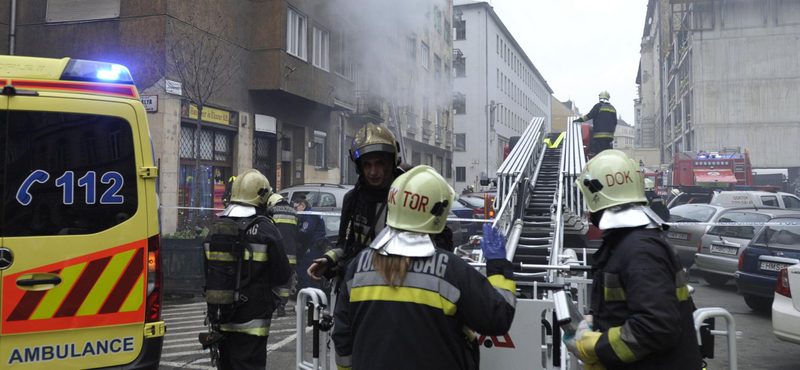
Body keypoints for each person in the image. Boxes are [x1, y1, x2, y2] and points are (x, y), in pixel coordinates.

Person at [332, 165, 516, 370]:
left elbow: (342, 339)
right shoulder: (451, 271)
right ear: (437, 213)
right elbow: (497, 317)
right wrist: (498, 267)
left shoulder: (358, 267)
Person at [568, 150, 701, 370]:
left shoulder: (639, 249)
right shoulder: (627, 242)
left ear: (597, 197)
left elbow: (656, 327)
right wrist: (596, 320)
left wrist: (598, 347)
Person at [207, 169, 292, 370]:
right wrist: (274, 301)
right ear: (262, 196)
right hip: (253, 319)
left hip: (221, 315)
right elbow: (282, 273)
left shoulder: (217, 227)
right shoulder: (266, 229)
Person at [307, 123, 403, 285]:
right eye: (367, 165)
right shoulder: (353, 198)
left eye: (379, 163)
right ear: (359, 167)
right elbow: (345, 244)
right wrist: (328, 260)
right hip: (361, 283)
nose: (373, 172)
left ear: (390, 162)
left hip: (397, 282)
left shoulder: (405, 196)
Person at [267, 193, 298, 317]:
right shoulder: (294, 212)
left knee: (272, 279)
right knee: (287, 281)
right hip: (290, 253)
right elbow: (297, 234)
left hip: (275, 252)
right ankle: (282, 306)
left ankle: (272, 304)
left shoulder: (271, 211)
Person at [295, 196, 328, 293]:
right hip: (315, 247)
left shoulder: (309, 215)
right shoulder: (309, 214)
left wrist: (297, 235)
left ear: (303, 205)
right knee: (313, 275)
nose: (295, 210)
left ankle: (308, 302)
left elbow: (306, 232)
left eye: (296, 207)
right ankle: (315, 302)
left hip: (313, 248)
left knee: (305, 274)